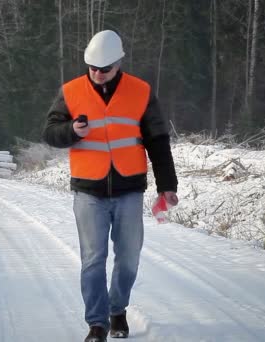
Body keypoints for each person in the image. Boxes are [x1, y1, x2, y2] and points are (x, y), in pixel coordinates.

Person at [42, 30, 178, 342]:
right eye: (92, 68)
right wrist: (71, 131)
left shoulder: (141, 92)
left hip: (129, 189)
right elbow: (49, 133)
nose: (98, 75)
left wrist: (166, 185)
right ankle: (97, 324)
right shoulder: (71, 91)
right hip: (88, 191)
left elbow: (158, 141)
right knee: (93, 259)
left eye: (105, 69)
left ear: (118, 63)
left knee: (129, 257)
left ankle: (118, 309)